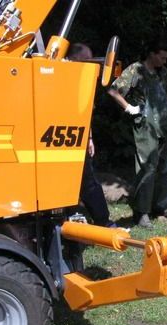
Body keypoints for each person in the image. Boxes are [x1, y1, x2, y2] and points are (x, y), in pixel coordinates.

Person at [108, 37, 167, 228]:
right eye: (162, 57)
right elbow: (114, 91)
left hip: (163, 122)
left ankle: (163, 206)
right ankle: (141, 212)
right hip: (145, 123)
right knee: (147, 166)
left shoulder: (162, 72)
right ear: (152, 54)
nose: (164, 61)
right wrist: (129, 108)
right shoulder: (135, 70)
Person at [67, 43, 117, 228]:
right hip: (65, 139)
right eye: (86, 60)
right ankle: (103, 222)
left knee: (85, 181)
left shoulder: (79, 82)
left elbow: (84, 115)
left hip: (73, 137)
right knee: (87, 182)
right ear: (73, 60)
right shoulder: (61, 81)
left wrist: (88, 138)